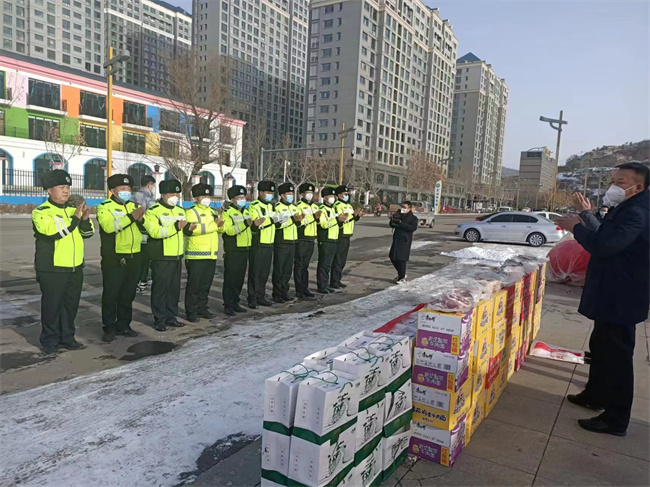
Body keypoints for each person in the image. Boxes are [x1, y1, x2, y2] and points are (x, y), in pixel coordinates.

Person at [558, 162, 649, 436]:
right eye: (613, 181)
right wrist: (586, 216)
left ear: (638, 187)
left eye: (620, 182)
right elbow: (605, 234)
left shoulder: (637, 212)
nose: (613, 187)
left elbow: (604, 245)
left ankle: (615, 419)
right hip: (611, 294)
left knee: (617, 357)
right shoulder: (628, 207)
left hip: (621, 297)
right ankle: (594, 395)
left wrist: (577, 227)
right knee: (600, 347)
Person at [32, 169, 94, 355]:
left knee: (70, 305)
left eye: (67, 187)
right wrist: (76, 218)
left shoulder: (73, 211)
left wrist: (84, 219)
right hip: (53, 268)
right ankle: (50, 340)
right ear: (49, 190)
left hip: (75, 267)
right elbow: (55, 232)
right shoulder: (42, 212)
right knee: (52, 306)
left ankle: (67, 337)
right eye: (61, 187)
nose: (66, 191)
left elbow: (88, 233)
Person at [96, 174, 145, 343]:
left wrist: (141, 220)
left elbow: (144, 229)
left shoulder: (135, 206)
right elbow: (109, 227)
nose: (126, 191)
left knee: (128, 294)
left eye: (128, 188)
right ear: (113, 190)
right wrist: (131, 217)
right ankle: (109, 327)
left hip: (134, 255)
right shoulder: (105, 207)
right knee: (111, 294)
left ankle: (124, 324)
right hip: (115, 257)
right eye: (122, 188)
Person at [144, 179, 192, 331]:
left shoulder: (180, 210)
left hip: (176, 255)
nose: (174, 197)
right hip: (161, 255)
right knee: (161, 289)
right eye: (171, 194)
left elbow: (183, 230)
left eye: (176, 194)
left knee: (173, 289)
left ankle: (171, 316)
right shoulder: (153, 211)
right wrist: (176, 227)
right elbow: (154, 232)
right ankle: (160, 318)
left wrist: (189, 229)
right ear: (163, 194)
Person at [183, 183, 224, 322]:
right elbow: (194, 230)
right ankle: (191, 312)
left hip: (211, 253)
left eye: (208, 196)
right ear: (196, 197)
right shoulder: (191, 212)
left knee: (205, 285)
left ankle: (202, 308)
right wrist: (215, 226)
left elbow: (218, 229)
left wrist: (220, 225)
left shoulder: (212, 211)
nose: (206, 198)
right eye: (202, 196)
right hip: (196, 254)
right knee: (194, 286)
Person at [221, 185, 265, 316]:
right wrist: (246, 224)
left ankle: (235, 302)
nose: (242, 200)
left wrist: (255, 226)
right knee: (231, 278)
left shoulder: (246, 212)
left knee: (239, 279)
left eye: (243, 197)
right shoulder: (227, 213)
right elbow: (229, 231)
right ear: (232, 199)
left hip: (245, 248)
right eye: (239, 198)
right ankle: (228, 304)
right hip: (233, 249)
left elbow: (250, 230)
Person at [271, 182, 304, 303]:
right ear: (282, 195)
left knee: (287, 270)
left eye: (291, 193)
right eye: (288, 194)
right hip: (282, 241)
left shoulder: (294, 207)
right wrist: (291, 220)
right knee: (279, 269)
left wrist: (299, 220)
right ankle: (277, 293)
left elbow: (298, 224)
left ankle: (284, 291)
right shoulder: (277, 207)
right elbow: (277, 225)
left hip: (293, 241)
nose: (291, 196)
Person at [247, 181, 276, 309]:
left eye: (271, 192)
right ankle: (252, 298)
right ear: (260, 193)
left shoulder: (271, 206)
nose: (270, 195)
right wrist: (270, 220)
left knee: (264, 273)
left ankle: (261, 296)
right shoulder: (254, 206)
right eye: (268, 192)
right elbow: (256, 223)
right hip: (258, 243)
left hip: (269, 242)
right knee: (256, 272)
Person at [316, 187, 347, 293]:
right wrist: (336, 220)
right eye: (330, 196)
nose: (332, 198)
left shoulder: (333, 209)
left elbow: (336, 224)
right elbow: (324, 224)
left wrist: (341, 221)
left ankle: (326, 284)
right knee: (324, 264)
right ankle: (322, 285)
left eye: (333, 196)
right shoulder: (322, 209)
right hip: (326, 239)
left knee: (329, 264)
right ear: (325, 198)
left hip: (334, 239)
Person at [331, 185, 362, 289]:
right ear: (339, 195)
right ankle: (334, 281)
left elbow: (352, 219)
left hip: (347, 234)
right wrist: (352, 216)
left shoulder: (348, 206)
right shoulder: (337, 205)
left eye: (347, 194)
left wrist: (357, 216)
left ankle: (338, 279)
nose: (346, 196)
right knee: (338, 259)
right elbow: (342, 219)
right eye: (345, 194)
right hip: (340, 234)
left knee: (343, 260)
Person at [294, 183, 321, 299]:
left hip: (311, 238)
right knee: (299, 265)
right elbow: (300, 222)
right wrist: (313, 217)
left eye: (311, 193)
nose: (310, 195)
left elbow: (319, 221)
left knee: (305, 266)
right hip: (302, 238)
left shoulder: (315, 206)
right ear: (302, 194)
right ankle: (299, 290)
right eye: (308, 193)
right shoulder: (299, 206)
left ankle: (305, 288)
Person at [132, 175, 157, 293]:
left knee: (138, 259)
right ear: (150, 185)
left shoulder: (132, 197)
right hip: (146, 232)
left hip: (134, 232)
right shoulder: (149, 198)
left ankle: (137, 281)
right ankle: (142, 281)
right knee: (145, 259)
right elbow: (154, 214)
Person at [389, 201, 419, 284]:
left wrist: (401, 223)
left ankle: (402, 277)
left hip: (405, 240)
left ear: (409, 208)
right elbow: (392, 224)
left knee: (401, 259)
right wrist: (393, 220)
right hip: (397, 239)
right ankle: (401, 273)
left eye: (405, 207)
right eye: (402, 207)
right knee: (392, 256)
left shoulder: (413, 218)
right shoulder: (399, 215)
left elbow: (412, 228)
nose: (403, 209)